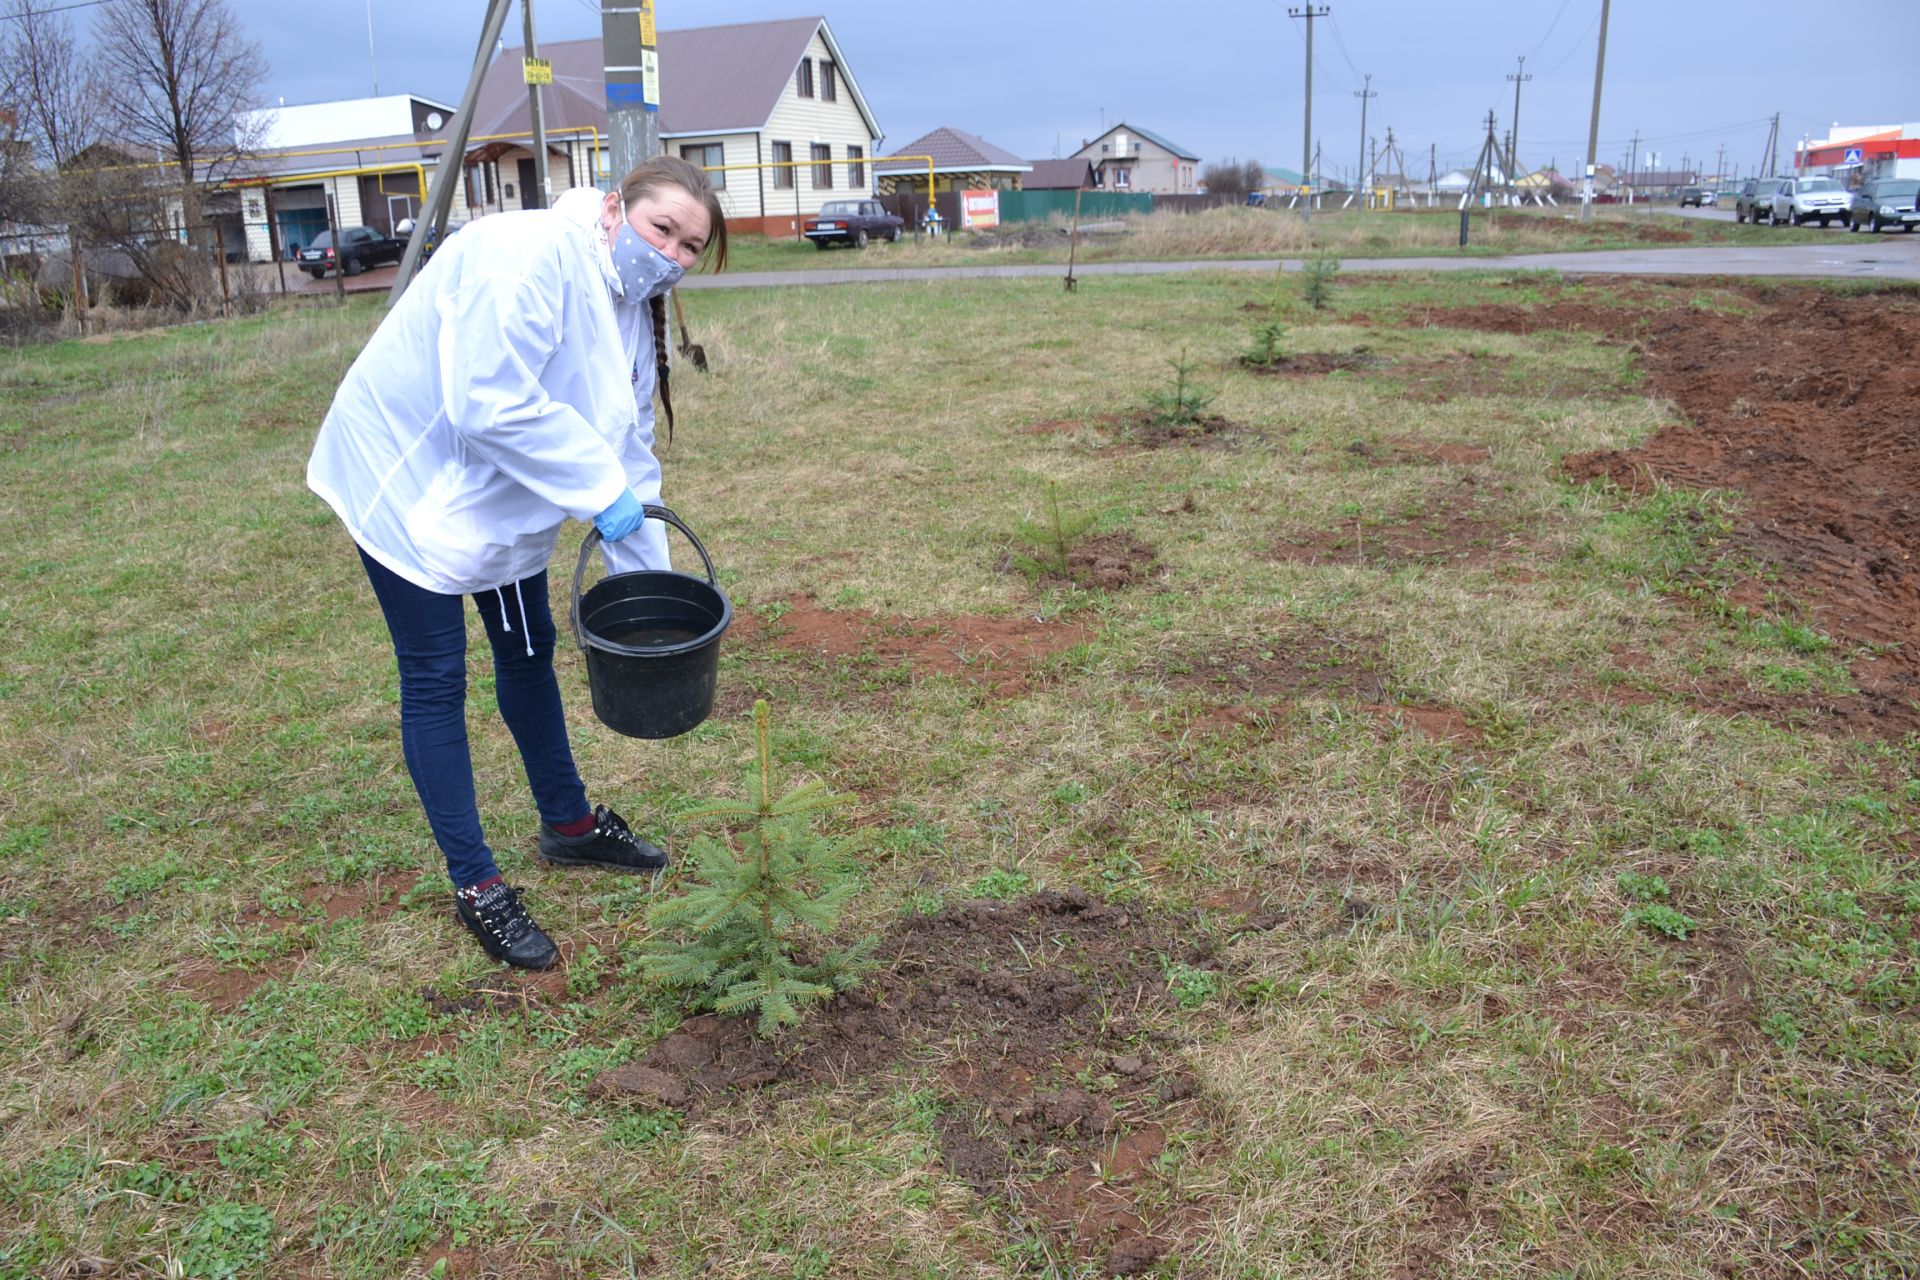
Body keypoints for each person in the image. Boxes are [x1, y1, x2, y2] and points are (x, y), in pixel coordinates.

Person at [306, 157, 728, 971]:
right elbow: (486, 402)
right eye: (661, 229)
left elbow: (625, 452)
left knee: (529, 649)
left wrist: (650, 591)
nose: (671, 254)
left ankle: (567, 826)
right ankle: (477, 885)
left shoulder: (631, 305)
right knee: (436, 676)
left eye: (689, 247)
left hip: (498, 497)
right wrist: (598, 488)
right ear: (614, 208)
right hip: (408, 480)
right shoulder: (526, 255)